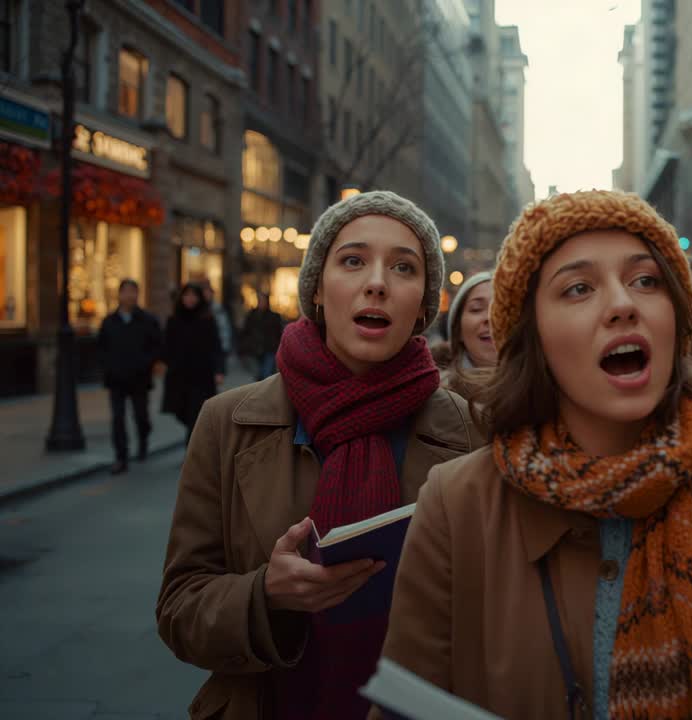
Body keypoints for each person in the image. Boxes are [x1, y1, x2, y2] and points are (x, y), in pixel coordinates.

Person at [377, 190, 692, 718]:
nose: (623, 304)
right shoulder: (456, 504)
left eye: (646, 281)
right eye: (578, 288)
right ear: (534, 337)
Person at [156, 191, 481, 719]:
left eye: (404, 267)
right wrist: (268, 595)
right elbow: (179, 610)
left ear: (424, 304)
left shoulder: (471, 429)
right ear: (317, 290)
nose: (376, 281)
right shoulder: (226, 422)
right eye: (353, 261)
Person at [98, 278, 163, 474]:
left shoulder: (147, 320)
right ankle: (121, 457)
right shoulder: (109, 322)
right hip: (116, 378)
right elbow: (102, 348)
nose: (129, 296)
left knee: (140, 416)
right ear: (119, 295)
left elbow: (157, 346)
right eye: (125, 291)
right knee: (118, 418)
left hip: (139, 378)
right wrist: (108, 367)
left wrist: (146, 363)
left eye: (133, 291)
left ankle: (143, 440)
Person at [161, 283, 225, 445]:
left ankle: (191, 452)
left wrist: (219, 370)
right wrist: (166, 363)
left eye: (193, 295)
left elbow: (216, 346)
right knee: (180, 410)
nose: (190, 299)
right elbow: (166, 346)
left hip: (202, 375)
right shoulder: (173, 320)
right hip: (179, 375)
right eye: (186, 295)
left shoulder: (207, 320)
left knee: (196, 412)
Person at [440, 271, 496, 399]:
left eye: (499, 308)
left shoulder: (544, 391)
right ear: (458, 330)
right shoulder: (435, 397)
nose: (490, 317)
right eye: (476, 308)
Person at [241, 291, 286, 381]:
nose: (261, 302)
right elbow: (245, 332)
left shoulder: (274, 316)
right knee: (259, 375)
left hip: (269, 349)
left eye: (263, 300)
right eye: (260, 300)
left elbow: (279, 333)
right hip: (255, 349)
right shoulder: (252, 315)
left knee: (266, 374)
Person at [201, 279, 235, 360]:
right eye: (204, 292)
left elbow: (224, 328)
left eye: (208, 292)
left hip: (217, 347)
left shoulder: (218, 308)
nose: (206, 295)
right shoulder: (198, 309)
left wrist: (225, 346)